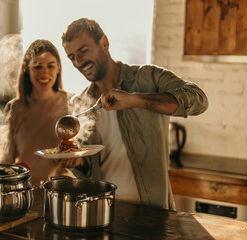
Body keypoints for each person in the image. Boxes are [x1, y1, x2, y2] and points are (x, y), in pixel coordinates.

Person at [58, 18, 208, 210]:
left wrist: (134, 100)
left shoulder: (148, 78)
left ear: (104, 42)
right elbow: (90, 171)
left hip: (151, 209)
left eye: (83, 50)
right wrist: (77, 162)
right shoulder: (80, 104)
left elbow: (199, 99)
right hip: (102, 209)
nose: (78, 62)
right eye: (71, 57)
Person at [0, 39, 73, 186]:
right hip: (24, 188)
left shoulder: (71, 104)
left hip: (61, 188)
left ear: (58, 68)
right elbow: (6, 161)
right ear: (27, 69)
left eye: (50, 66)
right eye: (37, 66)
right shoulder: (14, 108)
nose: (44, 73)